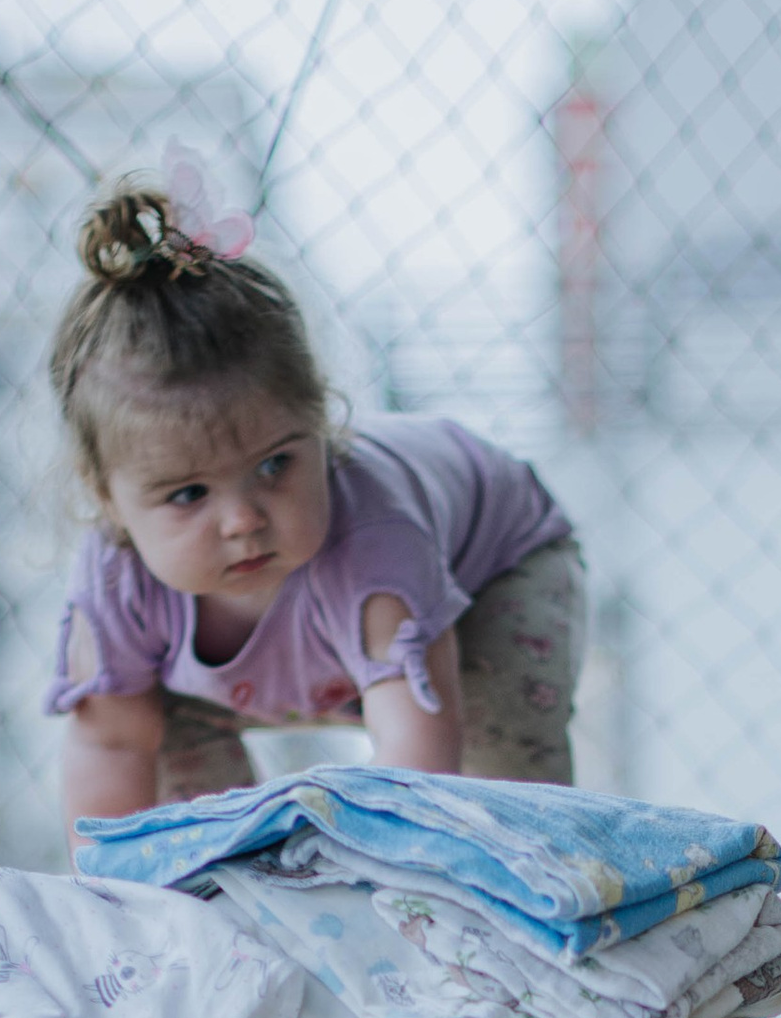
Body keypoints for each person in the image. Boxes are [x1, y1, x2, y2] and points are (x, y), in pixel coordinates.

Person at [44, 177, 586, 817]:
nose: (243, 520)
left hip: (497, 568)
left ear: (323, 427)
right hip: (282, 666)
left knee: (501, 776)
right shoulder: (115, 586)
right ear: (107, 498)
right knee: (150, 729)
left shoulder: (377, 542)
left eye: (275, 464)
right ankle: (212, 870)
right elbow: (109, 747)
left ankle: (526, 869)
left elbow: (419, 765)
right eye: (188, 493)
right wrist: (109, 877)